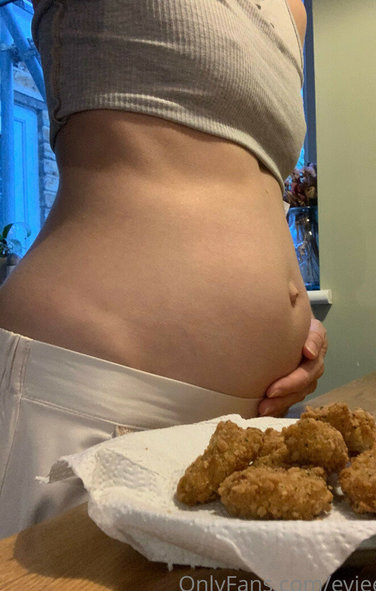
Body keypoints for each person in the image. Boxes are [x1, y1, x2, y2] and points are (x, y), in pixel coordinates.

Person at [0, 0, 327, 537]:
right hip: (98, 393)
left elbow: (247, 189)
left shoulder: (293, 11)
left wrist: (299, 332)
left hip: (256, 419)